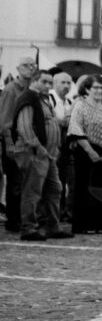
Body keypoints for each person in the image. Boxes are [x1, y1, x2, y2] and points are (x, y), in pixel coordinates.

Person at [11, 70, 69, 240]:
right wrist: (39, 148)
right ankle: (28, 228)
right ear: (34, 81)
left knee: (55, 189)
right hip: (34, 153)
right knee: (32, 191)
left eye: (50, 83)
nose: (48, 86)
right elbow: (24, 128)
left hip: (48, 155)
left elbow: (50, 123)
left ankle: (53, 226)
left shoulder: (43, 100)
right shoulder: (28, 98)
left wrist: (53, 149)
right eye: (44, 82)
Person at [67, 75, 102, 234]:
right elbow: (75, 128)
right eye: (95, 87)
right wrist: (90, 151)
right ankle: (83, 225)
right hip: (85, 150)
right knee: (84, 188)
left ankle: (97, 224)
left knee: (100, 189)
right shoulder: (80, 105)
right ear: (87, 89)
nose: (99, 91)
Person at [0, 56, 38, 233]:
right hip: (14, 139)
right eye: (26, 65)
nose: (30, 68)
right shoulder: (10, 89)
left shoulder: (31, 89)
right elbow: (5, 120)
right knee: (15, 183)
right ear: (18, 68)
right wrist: (9, 143)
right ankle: (13, 220)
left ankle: (22, 218)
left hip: (28, 141)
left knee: (25, 182)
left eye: (33, 65)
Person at [49, 71, 75, 223]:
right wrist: (63, 120)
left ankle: (64, 211)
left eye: (68, 83)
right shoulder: (50, 99)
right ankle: (53, 213)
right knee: (55, 182)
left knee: (68, 180)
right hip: (54, 145)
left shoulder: (70, 102)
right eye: (63, 82)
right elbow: (54, 120)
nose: (66, 86)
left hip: (67, 147)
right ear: (55, 83)